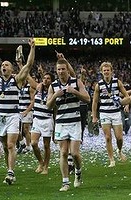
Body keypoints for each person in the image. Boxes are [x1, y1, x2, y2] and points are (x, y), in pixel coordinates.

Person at [0, 38, 35, 185]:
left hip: (13, 116)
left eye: (7, 65)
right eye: (2, 65)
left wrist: (32, 48)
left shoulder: (18, 80)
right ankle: (9, 170)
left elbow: (28, 66)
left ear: (11, 69)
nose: (3, 66)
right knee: (4, 146)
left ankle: (10, 172)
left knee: (10, 145)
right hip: (0, 117)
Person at [46, 58, 90, 192]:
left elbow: (87, 99)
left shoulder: (76, 82)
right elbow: (48, 106)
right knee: (63, 152)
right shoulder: (53, 86)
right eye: (58, 69)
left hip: (75, 121)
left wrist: (75, 92)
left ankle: (78, 172)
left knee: (75, 153)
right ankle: (65, 182)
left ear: (67, 70)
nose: (60, 72)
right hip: (61, 122)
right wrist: (55, 96)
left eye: (63, 69)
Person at [92, 62, 128, 167]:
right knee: (108, 137)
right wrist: (94, 116)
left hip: (116, 112)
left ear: (111, 71)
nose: (106, 72)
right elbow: (95, 101)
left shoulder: (117, 82)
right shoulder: (99, 85)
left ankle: (119, 150)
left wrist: (126, 105)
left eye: (108, 70)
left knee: (119, 138)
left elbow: (126, 95)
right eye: (104, 70)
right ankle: (111, 159)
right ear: (102, 72)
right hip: (104, 113)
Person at [28, 72, 55, 175]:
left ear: (51, 81)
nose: (45, 80)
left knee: (46, 145)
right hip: (37, 119)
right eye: (44, 78)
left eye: (48, 78)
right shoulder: (38, 89)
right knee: (33, 143)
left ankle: (46, 167)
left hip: (47, 119)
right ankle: (40, 162)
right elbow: (28, 77)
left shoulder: (53, 92)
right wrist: (21, 65)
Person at [16, 46, 35, 154]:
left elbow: (33, 100)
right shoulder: (17, 87)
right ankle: (22, 144)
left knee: (26, 129)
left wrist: (28, 110)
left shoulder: (29, 87)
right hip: (18, 111)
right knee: (18, 131)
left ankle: (28, 146)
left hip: (27, 110)